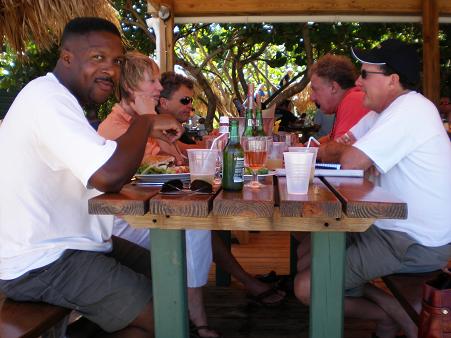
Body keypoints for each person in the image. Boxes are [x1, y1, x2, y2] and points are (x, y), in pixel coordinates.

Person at [0, 17, 184, 338]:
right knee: (167, 314)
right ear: (67, 56)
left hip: (74, 245)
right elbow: (108, 175)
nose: (110, 70)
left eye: (115, 62)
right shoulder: (48, 99)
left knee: (167, 275)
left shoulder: (62, 100)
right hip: (40, 260)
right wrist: (145, 122)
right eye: (97, 58)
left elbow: (105, 161)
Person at [295, 39, 451, 338]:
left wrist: (346, 151)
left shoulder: (411, 110)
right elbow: (328, 151)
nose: (357, 81)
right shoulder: (384, 111)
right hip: (388, 226)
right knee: (308, 251)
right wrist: (345, 151)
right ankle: (388, 309)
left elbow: (350, 159)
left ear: (393, 80)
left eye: (366, 74)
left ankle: (393, 313)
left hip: (414, 240)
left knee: (307, 287)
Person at [98, 52, 219, 338]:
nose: (158, 88)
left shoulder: (145, 122)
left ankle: (190, 312)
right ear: (130, 89)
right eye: (151, 81)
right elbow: (140, 173)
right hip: (117, 219)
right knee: (192, 227)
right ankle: (194, 317)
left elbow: (171, 161)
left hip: (144, 209)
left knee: (195, 223)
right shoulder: (114, 128)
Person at [309, 54, 370, 143]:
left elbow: (339, 151)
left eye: (315, 89)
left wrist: (307, 151)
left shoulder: (353, 100)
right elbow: (332, 138)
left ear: (333, 88)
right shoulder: (348, 100)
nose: (312, 97)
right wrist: (306, 147)